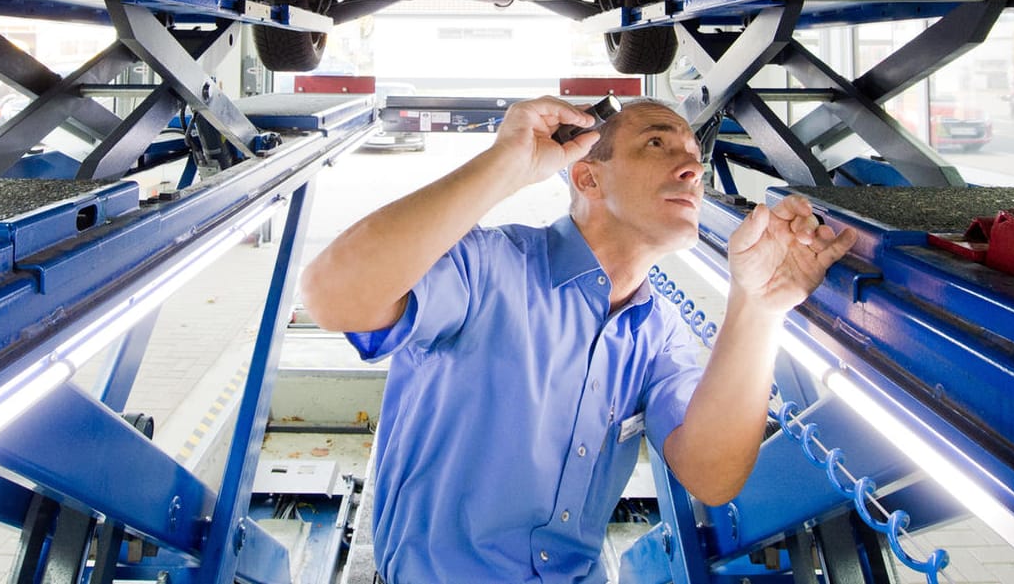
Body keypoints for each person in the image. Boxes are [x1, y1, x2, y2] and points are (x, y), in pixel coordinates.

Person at [298, 95, 857, 584]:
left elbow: (711, 475)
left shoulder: (660, 333)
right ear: (587, 177)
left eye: (695, 155)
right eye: (657, 144)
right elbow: (332, 295)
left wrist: (758, 305)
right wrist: (506, 164)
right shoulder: (489, 269)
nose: (691, 166)